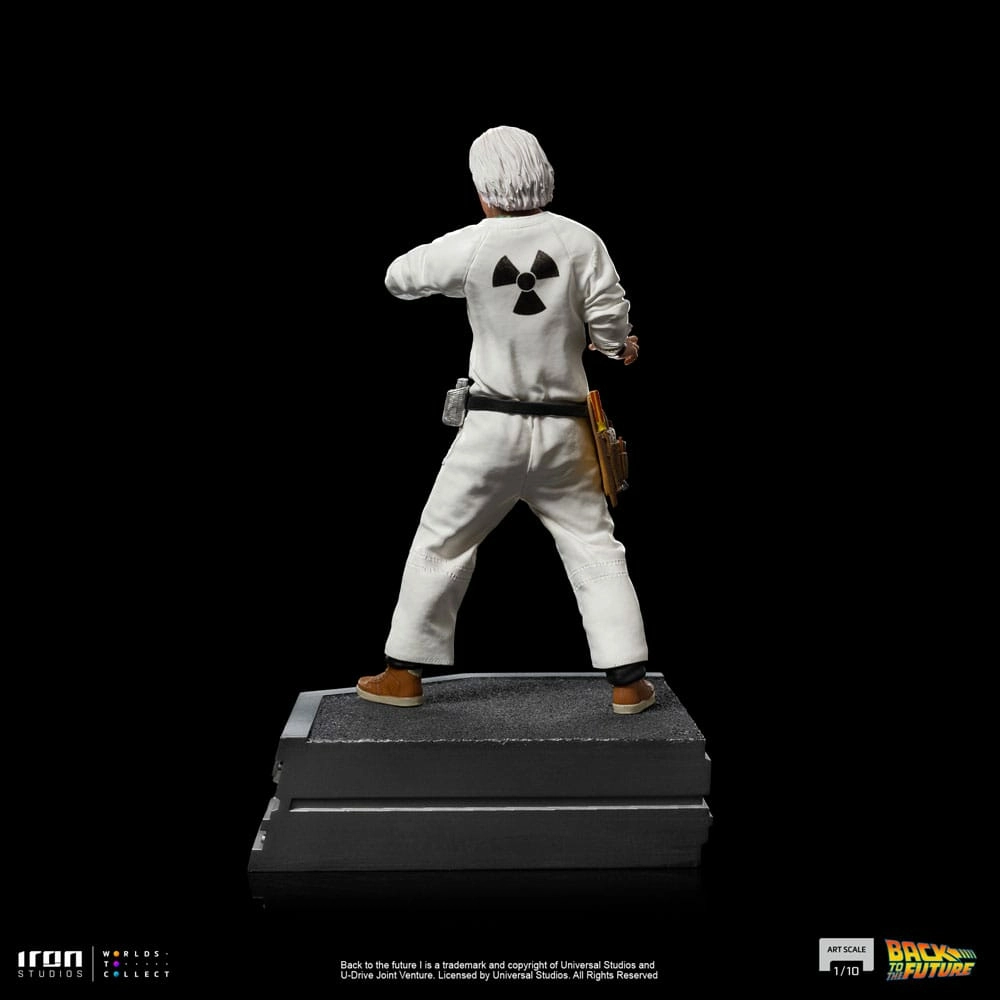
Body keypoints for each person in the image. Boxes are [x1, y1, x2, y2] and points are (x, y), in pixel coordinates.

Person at [358, 125, 653, 715]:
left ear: (482, 188)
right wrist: (616, 345)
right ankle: (627, 681)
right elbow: (609, 319)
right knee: (594, 546)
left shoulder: (473, 244)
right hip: (567, 431)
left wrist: (470, 274)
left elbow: (399, 276)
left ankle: (404, 673)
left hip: (491, 428)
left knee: (442, 541)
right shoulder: (580, 240)